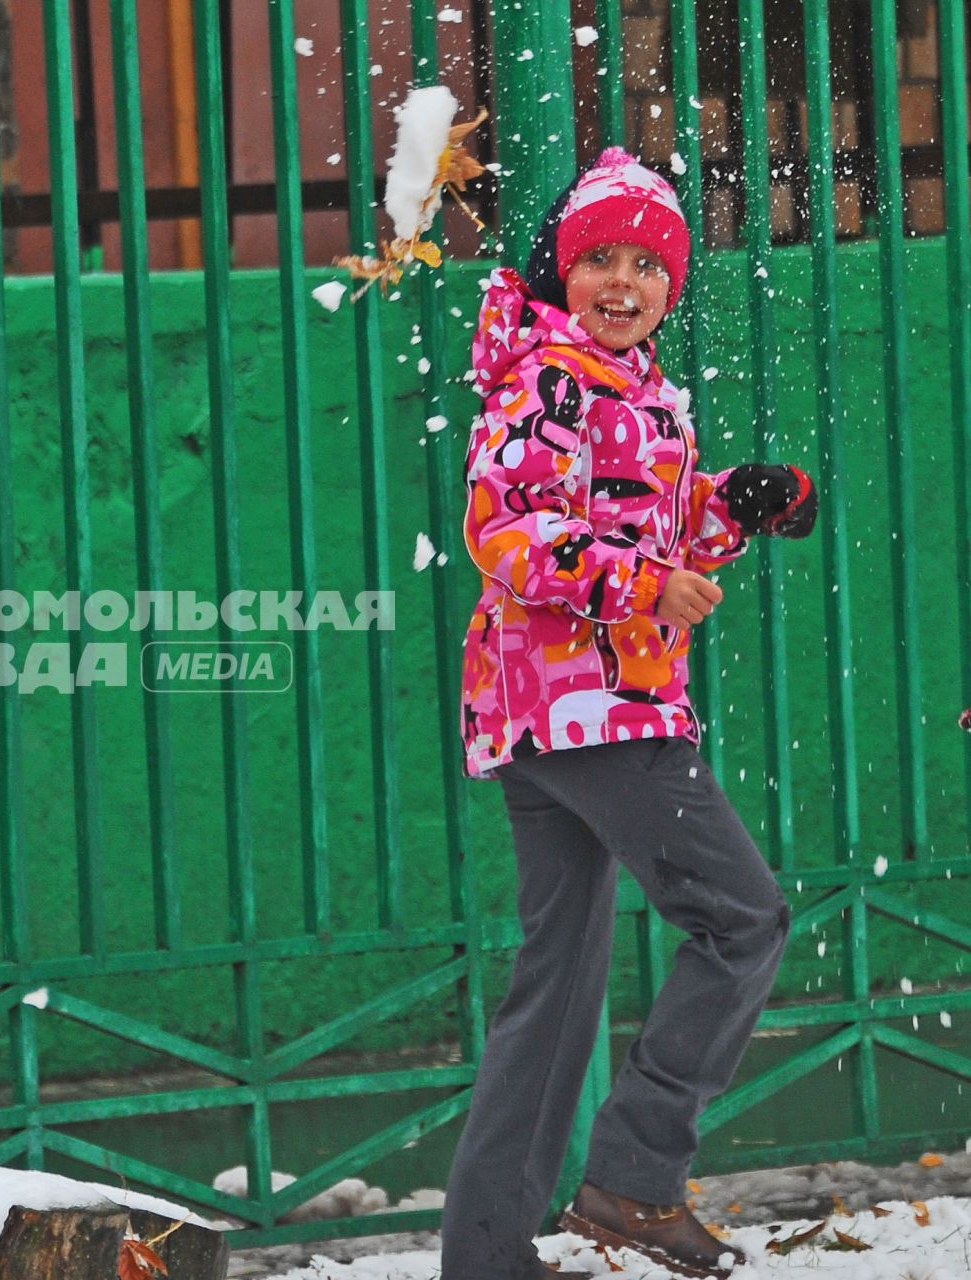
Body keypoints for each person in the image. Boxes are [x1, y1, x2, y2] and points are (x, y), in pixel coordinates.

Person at [441, 149, 817, 1280]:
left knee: (558, 986)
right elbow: (505, 529)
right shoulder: (550, 379)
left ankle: (488, 1259)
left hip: (559, 711)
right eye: (599, 257)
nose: (622, 280)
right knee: (743, 919)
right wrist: (643, 585)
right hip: (592, 705)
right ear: (567, 269)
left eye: (646, 263)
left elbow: (649, 535)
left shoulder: (638, 387)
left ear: (671, 281)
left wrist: (731, 509)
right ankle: (638, 1176)